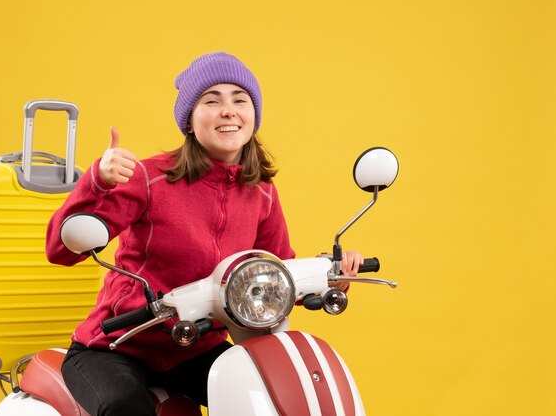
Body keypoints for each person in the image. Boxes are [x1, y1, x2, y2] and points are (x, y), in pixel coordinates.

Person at [45, 51, 363, 416]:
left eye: (239, 99)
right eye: (212, 100)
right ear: (190, 123)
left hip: (193, 347)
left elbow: (277, 273)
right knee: (125, 407)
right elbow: (60, 248)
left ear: (253, 116)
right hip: (117, 346)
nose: (228, 110)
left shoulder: (261, 190)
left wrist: (330, 278)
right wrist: (96, 182)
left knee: (271, 393)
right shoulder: (149, 178)